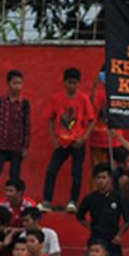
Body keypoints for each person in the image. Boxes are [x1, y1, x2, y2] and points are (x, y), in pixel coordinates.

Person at [41, 67, 96, 213]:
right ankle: (47, 200)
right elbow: (50, 119)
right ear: (64, 83)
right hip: (62, 142)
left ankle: (73, 201)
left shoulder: (83, 98)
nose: (73, 86)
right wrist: (54, 139)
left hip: (77, 142)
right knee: (52, 170)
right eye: (70, 83)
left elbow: (91, 120)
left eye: (75, 83)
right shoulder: (57, 98)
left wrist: (84, 138)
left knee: (76, 172)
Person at [0, 69, 32, 200]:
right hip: (1, 145)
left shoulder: (24, 103)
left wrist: (25, 146)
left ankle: (13, 200)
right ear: (8, 84)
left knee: (14, 176)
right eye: (15, 83)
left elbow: (27, 125)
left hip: (17, 146)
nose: (17, 86)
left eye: (20, 83)